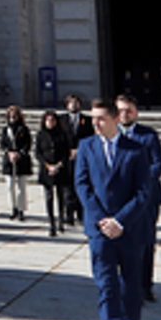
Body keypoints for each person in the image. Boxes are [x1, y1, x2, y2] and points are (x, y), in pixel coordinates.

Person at [73, 98, 153, 320]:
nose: (94, 123)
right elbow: (82, 186)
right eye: (92, 118)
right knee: (107, 290)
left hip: (129, 232)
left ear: (115, 120)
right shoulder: (86, 147)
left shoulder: (137, 150)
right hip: (99, 234)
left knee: (131, 291)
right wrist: (101, 221)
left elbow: (144, 192)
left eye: (100, 119)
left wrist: (120, 221)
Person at [116, 94, 161, 302]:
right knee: (120, 245)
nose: (125, 114)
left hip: (146, 199)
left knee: (145, 244)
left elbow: (158, 164)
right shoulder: (110, 136)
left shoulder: (148, 135)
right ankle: (124, 286)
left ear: (136, 112)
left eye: (129, 110)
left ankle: (145, 286)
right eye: (120, 110)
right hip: (119, 200)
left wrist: (140, 181)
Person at [35, 109, 72, 237]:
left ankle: (61, 220)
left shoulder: (62, 134)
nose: (50, 123)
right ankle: (51, 224)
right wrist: (47, 166)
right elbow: (38, 153)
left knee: (61, 196)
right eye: (48, 120)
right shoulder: (41, 134)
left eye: (52, 120)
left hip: (60, 169)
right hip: (46, 170)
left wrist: (58, 166)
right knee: (48, 197)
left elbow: (66, 153)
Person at [1, 105, 33, 221]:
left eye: (15, 114)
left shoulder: (24, 129)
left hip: (21, 161)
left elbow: (28, 144)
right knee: (10, 187)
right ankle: (13, 208)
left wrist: (19, 153)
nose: (13, 116)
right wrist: (9, 153)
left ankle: (21, 210)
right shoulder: (6, 129)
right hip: (9, 161)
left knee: (21, 188)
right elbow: (2, 144)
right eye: (11, 114)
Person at [63, 94, 90, 224]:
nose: (73, 105)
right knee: (67, 189)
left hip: (82, 158)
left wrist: (80, 150)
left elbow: (91, 138)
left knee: (81, 186)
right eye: (71, 103)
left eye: (76, 103)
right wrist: (67, 151)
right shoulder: (61, 120)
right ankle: (68, 215)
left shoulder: (87, 120)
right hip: (66, 158)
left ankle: (81, 214)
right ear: (67, 105)